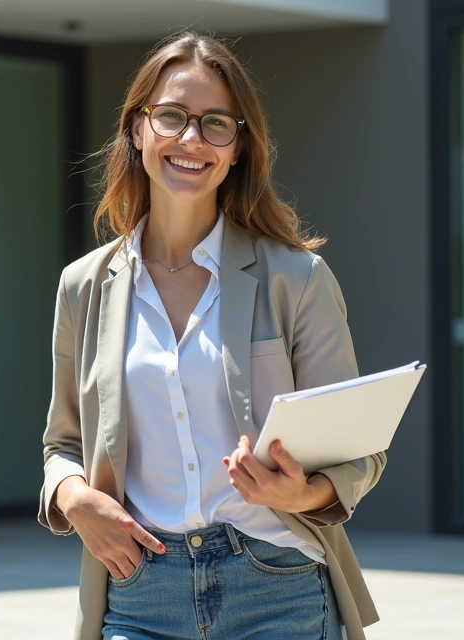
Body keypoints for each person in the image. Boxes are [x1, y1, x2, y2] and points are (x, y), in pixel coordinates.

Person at [38, 31, 386, 640]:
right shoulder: (83, 287)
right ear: (138, 129)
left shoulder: (296, 279)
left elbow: (360, 451)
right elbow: (62, 444)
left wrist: (303, 494)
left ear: (238, 148)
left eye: (216, 124)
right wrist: (73, 498)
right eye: (171, 116)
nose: (191, 140)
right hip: (140, 589)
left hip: (277, 586)